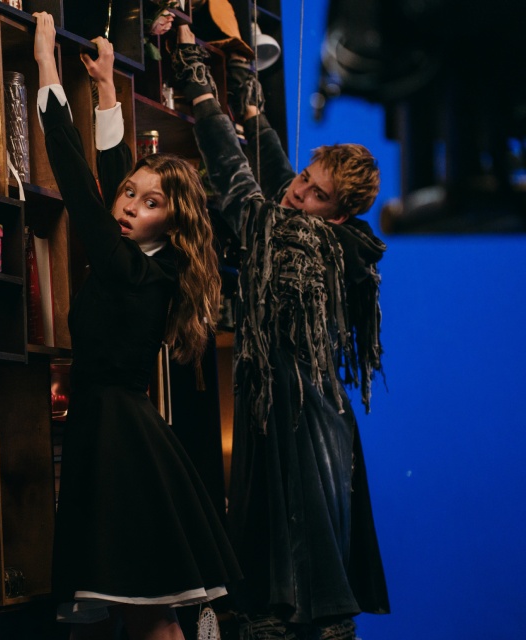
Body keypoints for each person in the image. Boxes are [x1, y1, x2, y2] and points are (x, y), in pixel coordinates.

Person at [170, 24, 390, 640]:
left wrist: (202, 93)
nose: (299, 194)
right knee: (303, 553)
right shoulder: (339, 240)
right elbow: (279, 179)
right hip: (307, 404)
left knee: (293, 559)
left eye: (317, 195)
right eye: (305, 179)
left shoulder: (300, 241)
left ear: (338, 214)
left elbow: (241, 187)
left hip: (295, 408)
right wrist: (254, 110)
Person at [32, 12, 241, 640]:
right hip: (111, 431)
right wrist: (104, 87)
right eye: (130, 194)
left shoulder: (135, 270)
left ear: (172, 223)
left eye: (151, 204)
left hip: (120, 440)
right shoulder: (142, 258)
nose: (129, 206)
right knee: (132, 616)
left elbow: (77, 179)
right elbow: (112, 170)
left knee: (151, 621)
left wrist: (46, 64)